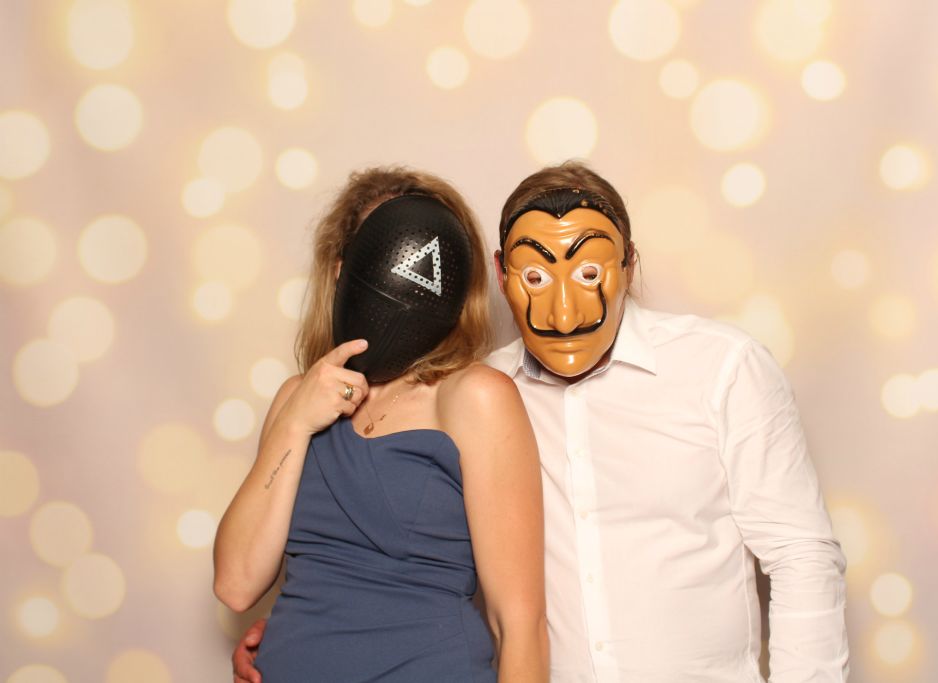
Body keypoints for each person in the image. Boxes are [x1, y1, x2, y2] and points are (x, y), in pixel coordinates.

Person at [232, 161, 848, 682]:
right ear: (502, 276)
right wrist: (305, 630)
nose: (563, 308)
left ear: (630, 264)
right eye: (534, 275)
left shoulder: (721, 368)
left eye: (588, 272)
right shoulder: (482, 388)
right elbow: (425, 554)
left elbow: (802, 557)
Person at [214, 167, 548, 683]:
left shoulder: (474, 398)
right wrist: (295, 422)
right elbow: (236, 584)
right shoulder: (296, 401)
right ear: (342, 270)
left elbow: (519, 624)